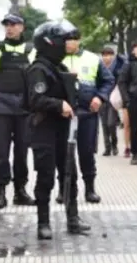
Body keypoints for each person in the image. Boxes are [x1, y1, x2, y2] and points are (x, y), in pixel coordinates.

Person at [26, 20, 91, 239]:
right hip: (44, 127)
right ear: (50, 43)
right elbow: (35, 99)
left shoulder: (59, 68)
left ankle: (73, 219)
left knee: (69, 173)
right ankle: (43, 222)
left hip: (64, 129)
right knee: (45, 175)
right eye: (64, 41)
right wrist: (58, 105)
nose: (68, 45)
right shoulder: (38, 69)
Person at [0, 13, 37, 209]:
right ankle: (0, 191)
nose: (9, 28)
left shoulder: (31, 51)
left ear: (22, 27)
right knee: (2, 153)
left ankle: (20, 191)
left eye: (14, 24)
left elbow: (38, 81)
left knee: (21, 152)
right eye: (7, 25)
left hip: (24, 109)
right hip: (2, 107)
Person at [58, 32, 115, 204]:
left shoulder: (92, 58)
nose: (69, 43)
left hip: (87, 113)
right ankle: (64, 189)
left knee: (87, 152)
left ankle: (90, 189)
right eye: (66, 40)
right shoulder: (56, 59)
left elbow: (108, 81)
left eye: (72, 39)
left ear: (79, 41)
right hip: (64, 114)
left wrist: (100, 97)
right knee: (63, 154)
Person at [100, 44, 126, 156]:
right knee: (104, 125)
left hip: (113, 99)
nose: (107, 57)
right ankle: (107, 148)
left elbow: (125, 62)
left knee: (111, 124)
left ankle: (114, 144)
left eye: (110, 55)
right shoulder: (98, 67)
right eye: (105, 55)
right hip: (101, 98)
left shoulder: (117, 67)